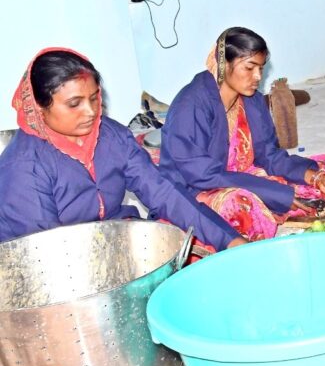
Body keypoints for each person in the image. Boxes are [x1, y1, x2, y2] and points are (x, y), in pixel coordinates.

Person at [0, 48, 245, 250]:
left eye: (95, 98)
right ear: (39, 108)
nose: (91, 111)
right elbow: (45, 253)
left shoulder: (111, 136)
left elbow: (163, 193)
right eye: (74, 104)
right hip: (54, 266)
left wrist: (227, 239)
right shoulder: (24, 166)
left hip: (113, 238)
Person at [160, 27, 325, 241]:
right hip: (199, 188)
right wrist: (273, 193)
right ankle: (273, 211)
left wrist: (316, 176)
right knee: (241, 207)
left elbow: (269, 155)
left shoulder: (251, 99)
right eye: (249, 67)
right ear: (224, 65)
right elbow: (203, 175)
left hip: (248, 176)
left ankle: (277, 210)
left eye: (261, 69)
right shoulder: (190, 105)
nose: (257, 77)